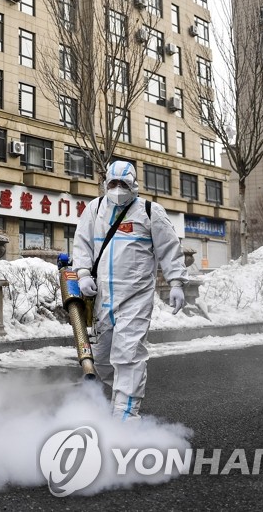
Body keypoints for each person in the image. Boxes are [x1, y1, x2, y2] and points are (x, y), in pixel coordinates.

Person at [72, 161, 187, 421]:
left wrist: (176, 282)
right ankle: (125, 394)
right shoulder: (95, 209)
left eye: (123, 184)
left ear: (133, 184)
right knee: (102, 360)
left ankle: (125, 416)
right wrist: (82, 274)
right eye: (112, 183)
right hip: (103, 299)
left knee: (128, 355)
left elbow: (170, 248)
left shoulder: (149, 211)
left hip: (136, 297)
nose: (117, 189)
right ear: (105, 183)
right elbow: (82, 244)